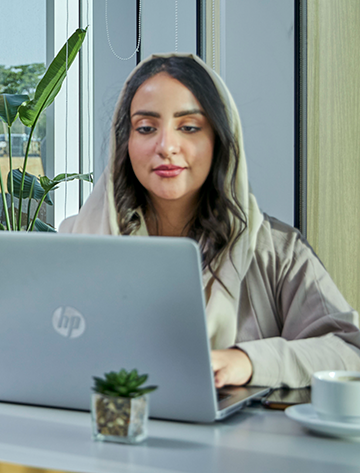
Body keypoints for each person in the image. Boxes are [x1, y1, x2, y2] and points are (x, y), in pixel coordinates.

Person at [61, 53, 360, 389]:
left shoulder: (276, 252)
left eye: (189, 128)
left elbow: (350, 350)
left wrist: (247, 361)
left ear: (219, 139)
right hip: (108, 431)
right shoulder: (75, 240)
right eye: (146, 128)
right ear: (125, 142)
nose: (167, 146)